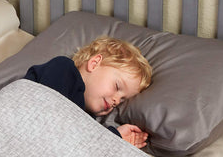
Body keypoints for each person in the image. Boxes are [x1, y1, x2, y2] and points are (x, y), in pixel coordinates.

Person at [23, 36, 153, 148]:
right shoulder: (63, 69)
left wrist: (116, 137)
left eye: (123, 99)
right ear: (94, 63)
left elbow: (80, 146)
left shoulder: (88, 118)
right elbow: (54, 127)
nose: (117, 101)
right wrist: (110, 138)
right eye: (117, 87)